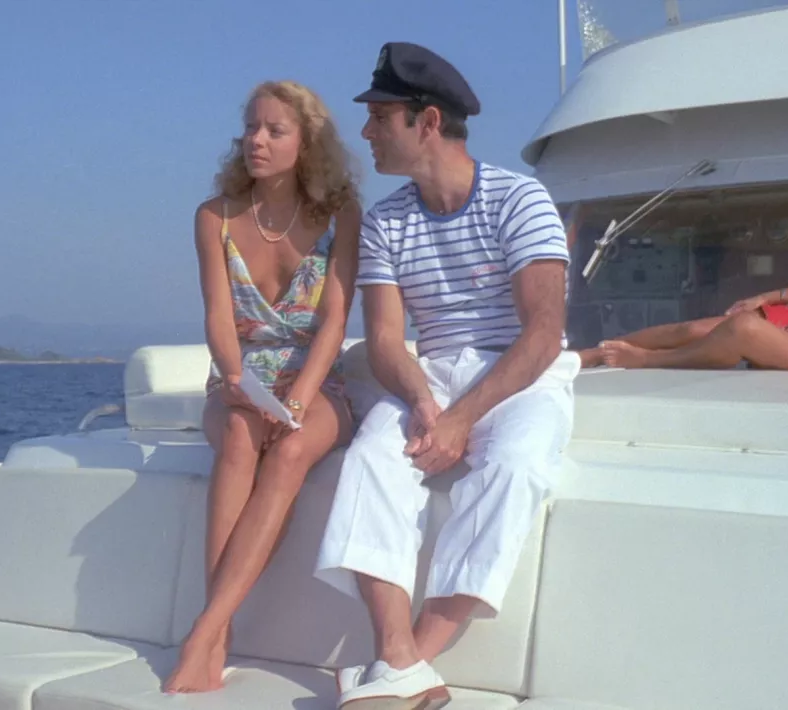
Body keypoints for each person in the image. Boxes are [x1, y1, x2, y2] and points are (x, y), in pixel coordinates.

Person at [312, 42, 579, 708]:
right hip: (427, 374)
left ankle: (403, 664)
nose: (366, 131)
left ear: (427, 121)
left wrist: (462, 418)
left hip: (520, 375)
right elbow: (385, 340)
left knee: (514, 464)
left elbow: (542, 335)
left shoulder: (520, 200)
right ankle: (400, 662)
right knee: (371, 457)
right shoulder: (386, 222)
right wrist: (424, 400)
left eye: (380, 117)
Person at [163, 80, 362, 694]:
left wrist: (297, 398)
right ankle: (218, 634)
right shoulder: (214, 217)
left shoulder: (341, 216)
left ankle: (206, 631)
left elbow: (335, 321)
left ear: (307, 143)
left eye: (275, 130)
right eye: (251, 127)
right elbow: (218, 318)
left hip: (316, 377)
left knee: (293, 449)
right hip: (239, 373)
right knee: (240, 435)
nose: (256, 140)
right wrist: (236, 379)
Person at [579, 278, 788, 372]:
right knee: (690, 330)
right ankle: (595, 353)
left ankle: (646, 359)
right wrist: (766, 297)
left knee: (742, 329)